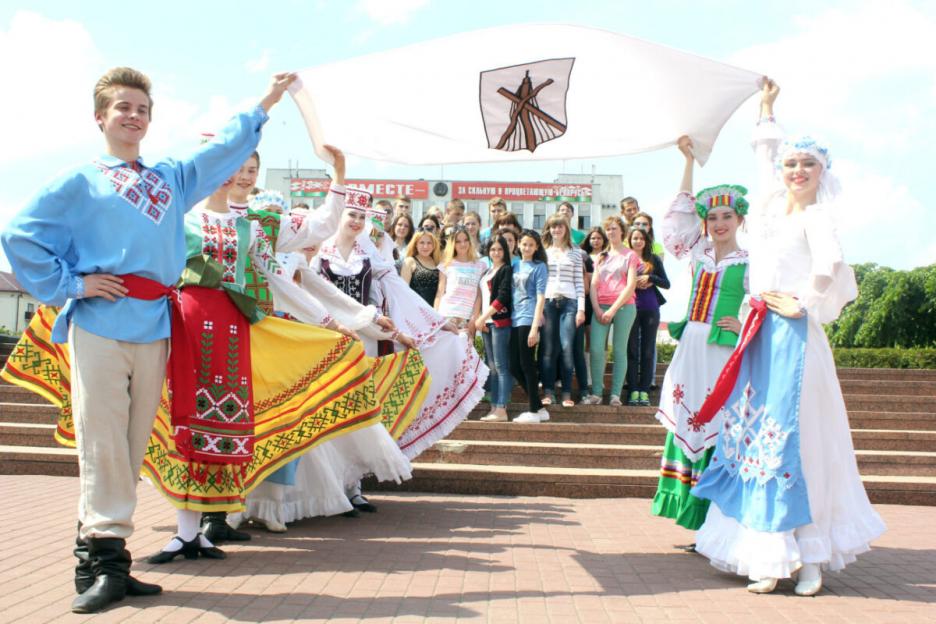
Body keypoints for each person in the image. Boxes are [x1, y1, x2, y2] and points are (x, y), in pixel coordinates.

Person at [0, 67, 291, 613]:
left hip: (156, 323)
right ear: (100, 117)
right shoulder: (79, 180)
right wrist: (73, 284)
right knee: (103, 440)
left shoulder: (170, 178)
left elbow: (224, 151)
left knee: (131, 444)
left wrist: (266, 101)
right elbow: (19, 234)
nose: (133, 116)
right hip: (101, 321)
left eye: (142, 109)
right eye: (122, 108)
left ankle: (98, 559)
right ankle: (106, 564)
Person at [690, 80, 885, 596]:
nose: (796, 171)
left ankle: (812, 558)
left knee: (798, 443)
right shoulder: (773, 212)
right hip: (759, 337)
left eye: (808, 165)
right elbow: (764, 156)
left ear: (823, 173)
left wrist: (805, 303)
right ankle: (768, 557)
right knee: (754, 437)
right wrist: (766, 110)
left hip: (794, 339)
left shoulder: (820, 216)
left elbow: (831, 267)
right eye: (791, 164)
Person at [650, 136, 749, 536]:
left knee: (718, 424)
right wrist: (689, 161)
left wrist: (742, 325)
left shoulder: (751, 261)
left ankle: (713, 520)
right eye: (713, 218)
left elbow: (763, 304)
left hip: (722, 354)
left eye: (727, 216)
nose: (719, 224)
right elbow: (679, 217)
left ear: (740, 219)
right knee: (688, 420)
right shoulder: (697, 252)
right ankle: (692, 514)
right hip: (691, 348)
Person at [581, 216, 639, 406]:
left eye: (614, 228)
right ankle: (597, 393)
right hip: (601, 307)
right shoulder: (601, 257)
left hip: (624, 306)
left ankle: (615, 394)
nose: (611, 232)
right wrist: (597, 308)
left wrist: (612, 310)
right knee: (596, 349)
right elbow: (594, 285)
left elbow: (631, 285)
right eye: (608, 229)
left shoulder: (630, 255)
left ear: (622, 231)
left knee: (620, 350)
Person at [540, 213, 586, 407]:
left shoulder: (576, 252)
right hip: (549, 302)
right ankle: (548, 391)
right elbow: (540, 282)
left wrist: (581, 309)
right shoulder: (544, 252)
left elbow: (579, 282)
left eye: (560, 226)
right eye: (553, 227)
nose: (556, 230)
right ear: (549, 229)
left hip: (570, 303)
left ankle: (566, 393)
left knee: (567, 347)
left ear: (566, 229)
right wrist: (539, 308)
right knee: (549, 349)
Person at [625, 227, 669, 406]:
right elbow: (617, 283)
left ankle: (644, 391)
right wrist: (634, 282)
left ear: (646, 241)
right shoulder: (625, 258)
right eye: (635, 238)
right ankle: (633, 390)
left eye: (641, 238)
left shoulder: (654, 259)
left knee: (648, 350)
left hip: (650, 308)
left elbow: (666, 283)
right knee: (632, 349)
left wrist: (650, 278)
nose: (638, 241)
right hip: (630, 307)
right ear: (629, 240)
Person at [510, 230, 549, 424]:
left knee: (527, 365)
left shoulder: (539, 267)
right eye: (524, 244)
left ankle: (533, 411)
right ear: (518, 244)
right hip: (514, 318)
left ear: (536, 247)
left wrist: (535, 327)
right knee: (513, 365)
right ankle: (539, 406)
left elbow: (541, 297)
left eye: (531, 245)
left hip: (528, 317)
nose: (527, 248)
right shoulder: (514, 265)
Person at [476, 235, 514, 422]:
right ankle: (494, 408)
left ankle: (502, 408)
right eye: (493, 249)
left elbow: (503, 297)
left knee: (501, 366)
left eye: (499, 249)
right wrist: (481, 319)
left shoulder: (506, 269)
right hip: (486, 324)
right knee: (492, 367)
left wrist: (483, 317)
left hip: (500, 323)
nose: (496, 253)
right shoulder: (488, 271)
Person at [435, 226, 485, 335]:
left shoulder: (480, 265)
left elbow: (479, 295)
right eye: (458, 241)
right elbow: (440, 292)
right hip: (447, 314)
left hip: (467, 316)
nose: (463, 244)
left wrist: (474, 318)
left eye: (466, 240)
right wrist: (436, 317)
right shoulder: (446, 264)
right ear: (453, 244)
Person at [400, 229, 442, 307]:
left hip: (433, 312)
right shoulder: (410, 261)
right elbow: (403, 291)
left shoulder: (438, 263)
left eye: (429, 243)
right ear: (416, 244)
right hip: (414, 310)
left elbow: (441, 292)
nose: (425, 246)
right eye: (421, 243)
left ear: (434, 245)